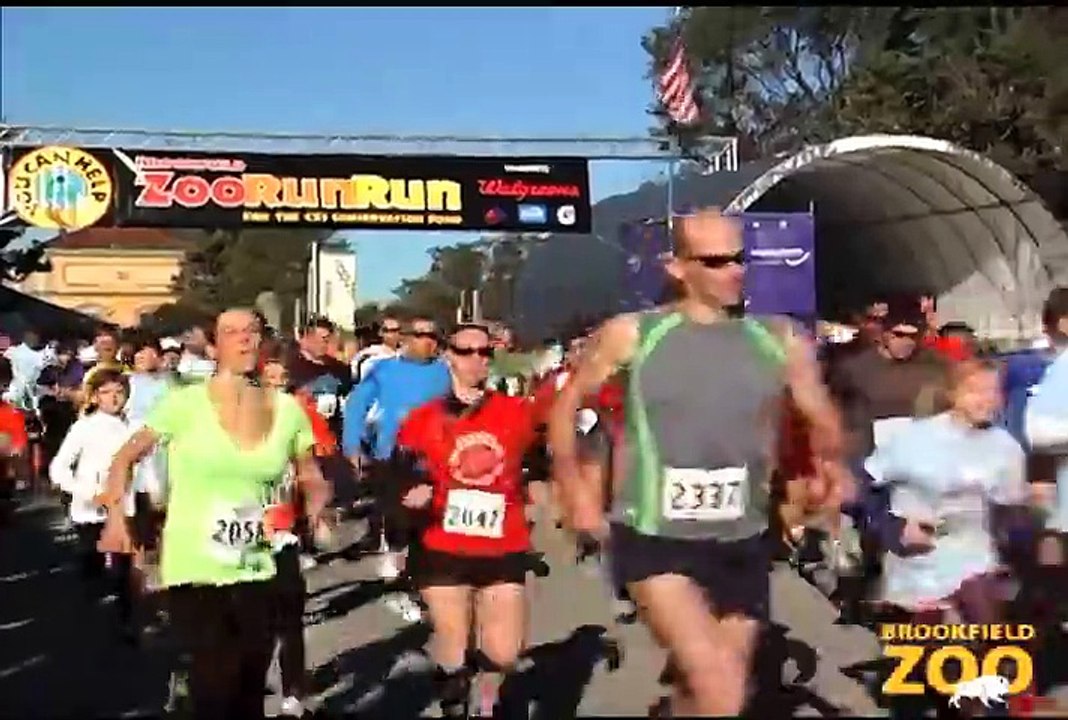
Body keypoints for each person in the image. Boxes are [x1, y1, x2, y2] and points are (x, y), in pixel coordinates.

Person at [549, 209, 847, 716]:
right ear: (677, 267)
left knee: (706, 690)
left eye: (739, 259)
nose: (734, 271)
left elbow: (820, 416)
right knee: (721, 688)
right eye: (715, 261)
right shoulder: (635, 334)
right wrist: (576, 492)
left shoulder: (778, 339)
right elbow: (567, 405)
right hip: (654, 535)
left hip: (743, 536)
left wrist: (830, 470)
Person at [96, 308, 332, 720]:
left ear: (263, 341)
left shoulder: (288, 410)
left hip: (258, 563)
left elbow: (310, 475)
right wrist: (117, 520)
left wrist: (314, 512)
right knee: (215, 681)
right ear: (215, 344)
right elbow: (124, 458)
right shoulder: (184, 404)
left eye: (251, 331)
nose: (243, 339)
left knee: (249, 681)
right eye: (231, 332)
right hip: (195, 564)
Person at [394, 323, 541, 718]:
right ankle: (457, 701)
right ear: (448, 357)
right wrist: (412, 494)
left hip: (502, 542)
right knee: (453, 646)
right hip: (443, 544)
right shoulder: (424, 418)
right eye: (466, 351)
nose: (477, 360)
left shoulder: (515, 412)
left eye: (484, 352)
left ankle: (487, 696)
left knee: (505, 650)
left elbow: (540, 461)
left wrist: (542, 495)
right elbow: (399, 474)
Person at [342, 316, 450, 619]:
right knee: (398, 517)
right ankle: (396, 576)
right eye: (419, 335)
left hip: (434, 458)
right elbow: (357, 404)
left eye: (432, 336)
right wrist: (352, 444)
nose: (427, 341)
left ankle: (424, 581)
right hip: (392, 454)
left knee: (430, 521)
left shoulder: (445, 372)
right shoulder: (384, 369)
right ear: (405, 338)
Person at [49, 368, 138, 639]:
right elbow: (59, 469)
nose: (113, 398)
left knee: (125, 569)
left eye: (119, 392)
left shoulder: (134, 427)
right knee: (92, 563)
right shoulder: (85, 426)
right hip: (91, 509)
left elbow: (145, 469)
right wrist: (88, 492)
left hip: (123, 508)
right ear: (96, 397)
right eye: (106, 392)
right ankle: (88, 621)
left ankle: (125, 623)